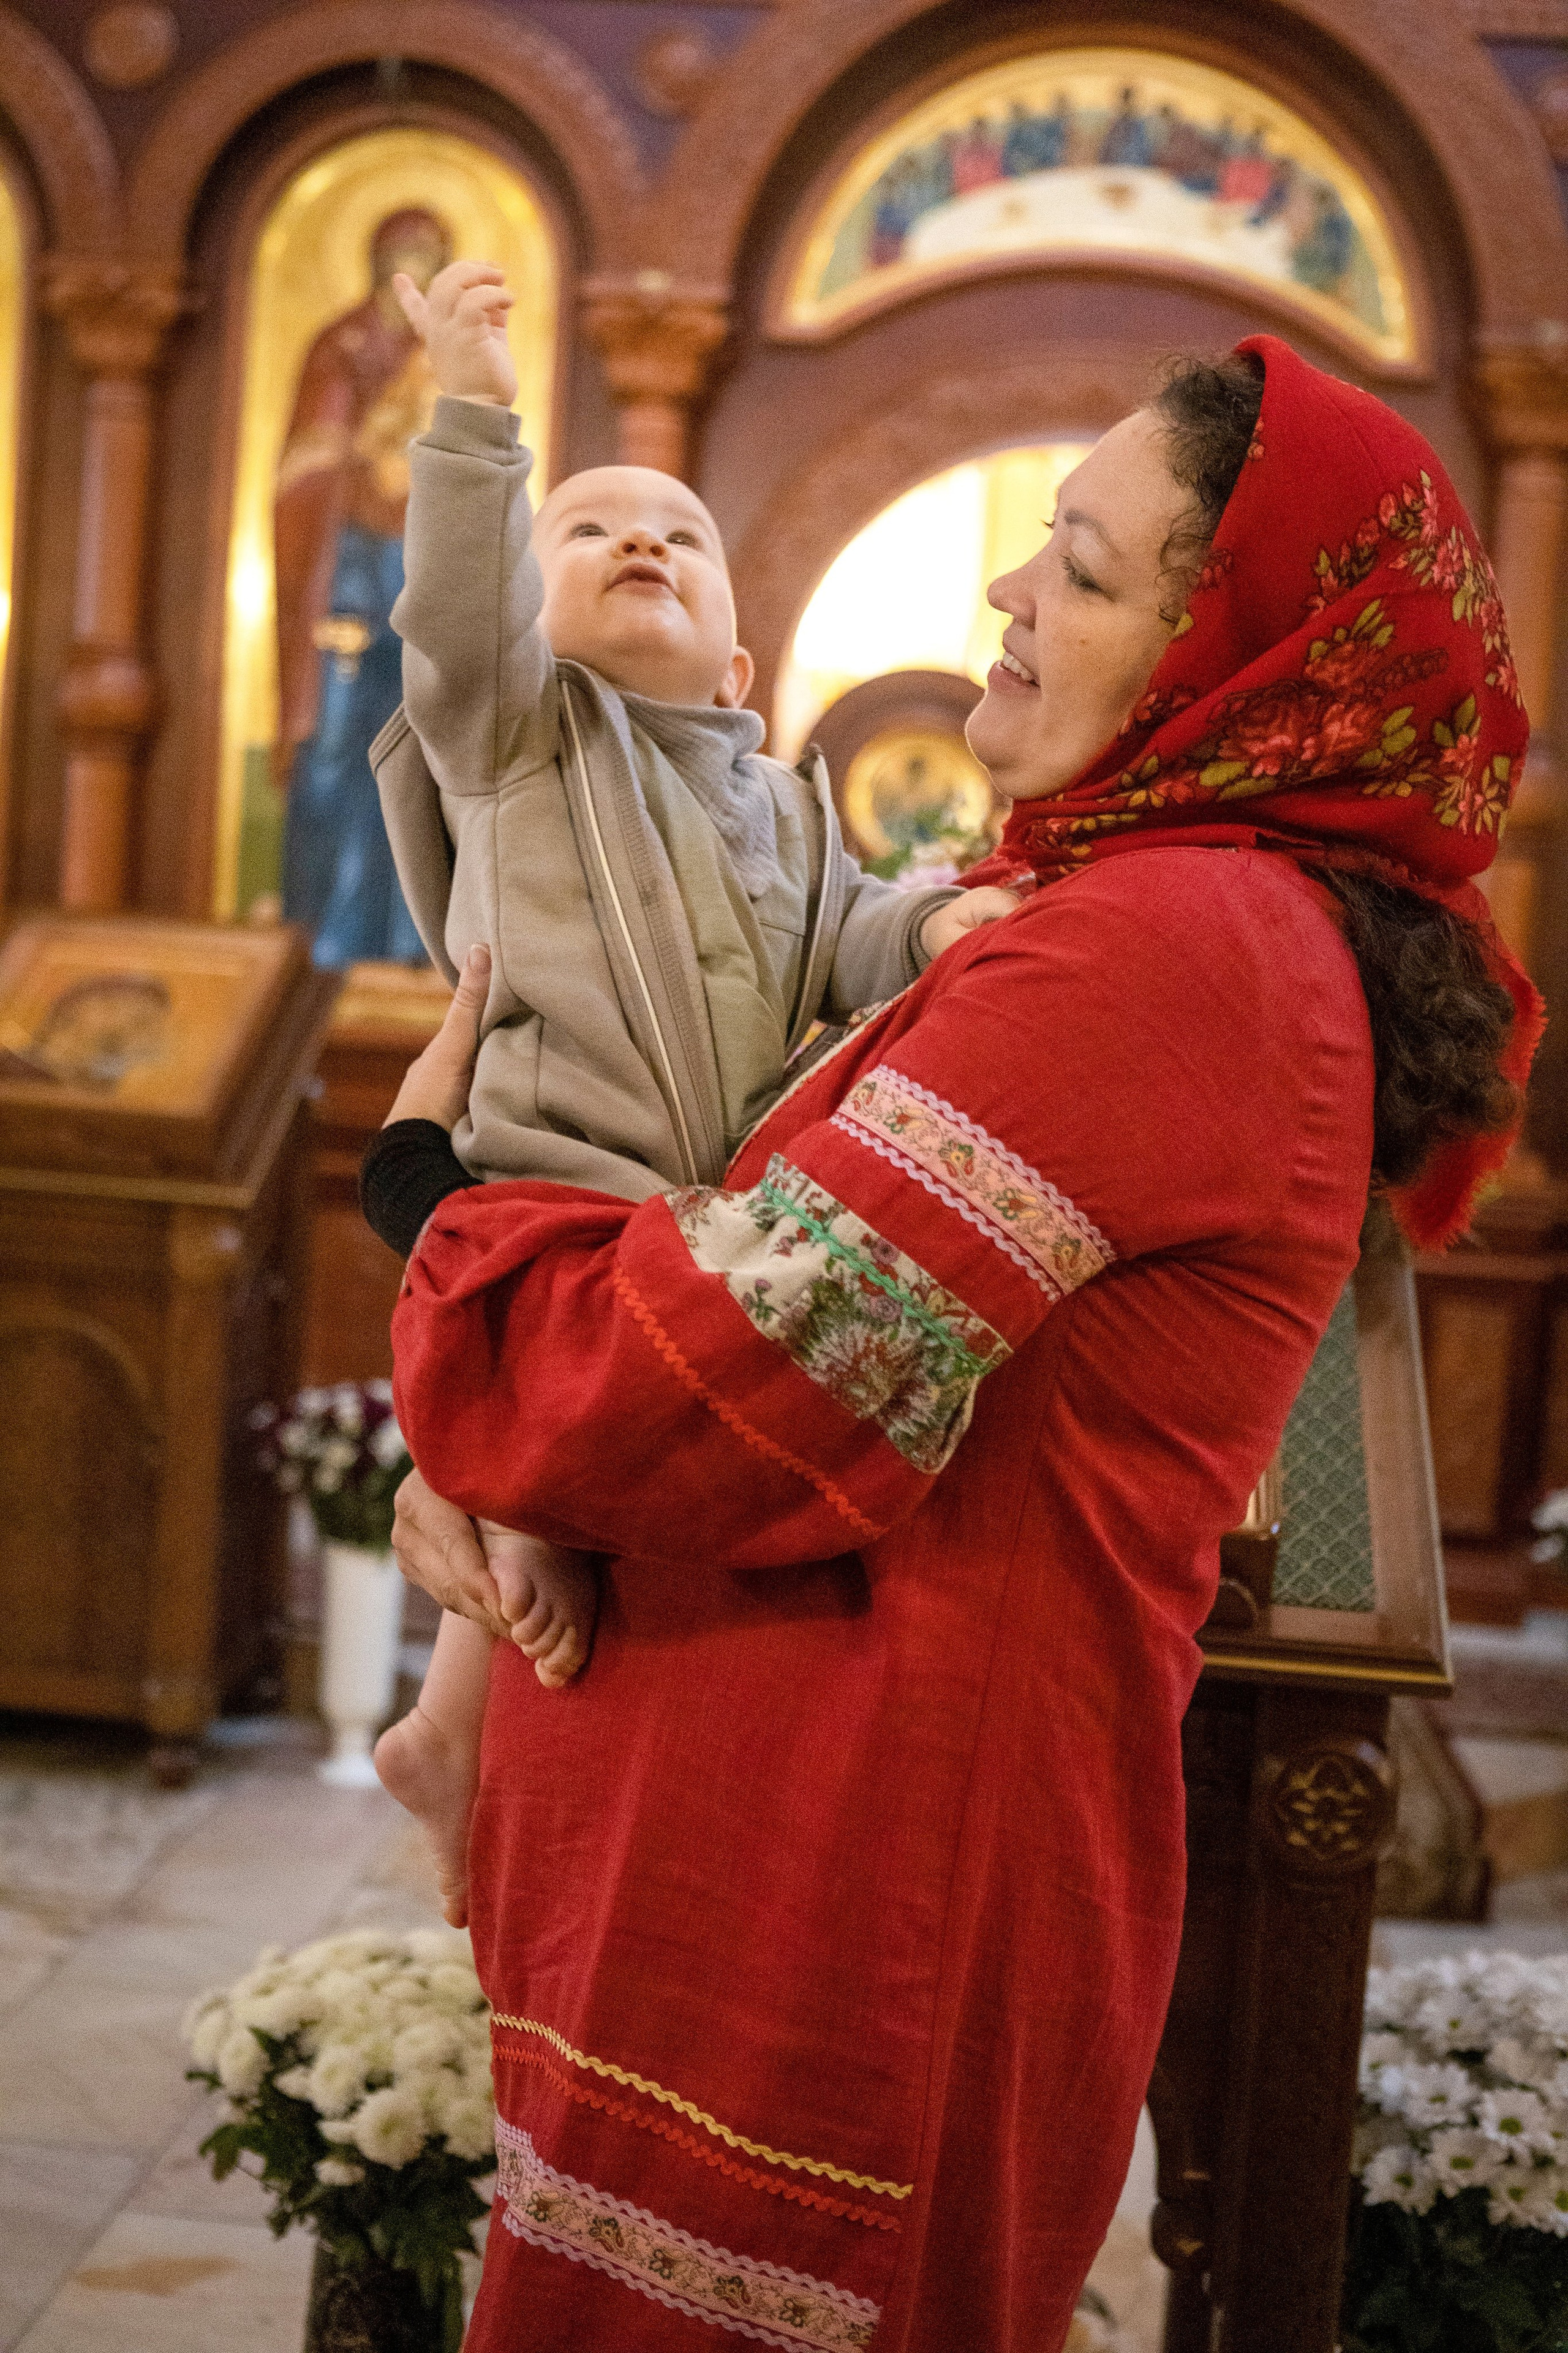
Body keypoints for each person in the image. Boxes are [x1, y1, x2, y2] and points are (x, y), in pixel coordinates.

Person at [374, 336, 1539, 2351]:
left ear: (1236, 670)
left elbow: (713, 1385)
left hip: (839, 1918)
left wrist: (431, 1220)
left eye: (1082, 570)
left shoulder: (1167, 950)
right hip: (780, 1888)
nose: (1010, 586)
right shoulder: (1144, 915)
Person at [364, 259, 1015, 1926]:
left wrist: (935, 924)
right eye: (588, 531)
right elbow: (454, 622)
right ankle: (458, 1695)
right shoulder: (517, 738)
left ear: (737, 669)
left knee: (620, 1412)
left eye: (679, 535)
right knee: (542, 1406)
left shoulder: (785, 806)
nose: (639, 541)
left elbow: (854, 928)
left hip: (706, 1208)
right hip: (540, 1158)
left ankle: (459, 1720)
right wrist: (474, 412)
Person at [275, 207, 453, 967]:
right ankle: (319, 944)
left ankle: (406, 946)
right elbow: (308, 461)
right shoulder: (342, 347)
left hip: (413, 582)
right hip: (346, 577)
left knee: (412, 769)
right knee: (334, 757)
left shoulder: (442, 355)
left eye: (428, 257)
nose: (413, 269)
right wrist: (364, 453)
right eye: (403, 255)